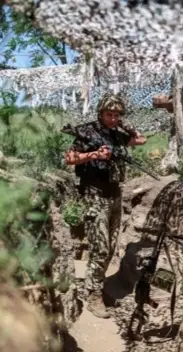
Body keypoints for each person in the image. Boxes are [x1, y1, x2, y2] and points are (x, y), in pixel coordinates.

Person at [63, 93, 147, 319]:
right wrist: (92, 154)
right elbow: (69, 158)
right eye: (109, 114)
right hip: (94, 194)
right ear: (100, 113)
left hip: (115, 194)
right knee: (99, 247)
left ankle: (95, 284)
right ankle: (92, 294)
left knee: (109, 247)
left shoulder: (117, 134)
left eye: (116, 115)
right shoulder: (86, 132)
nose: (112, 118)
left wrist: (126, 126)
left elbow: (141, 140)